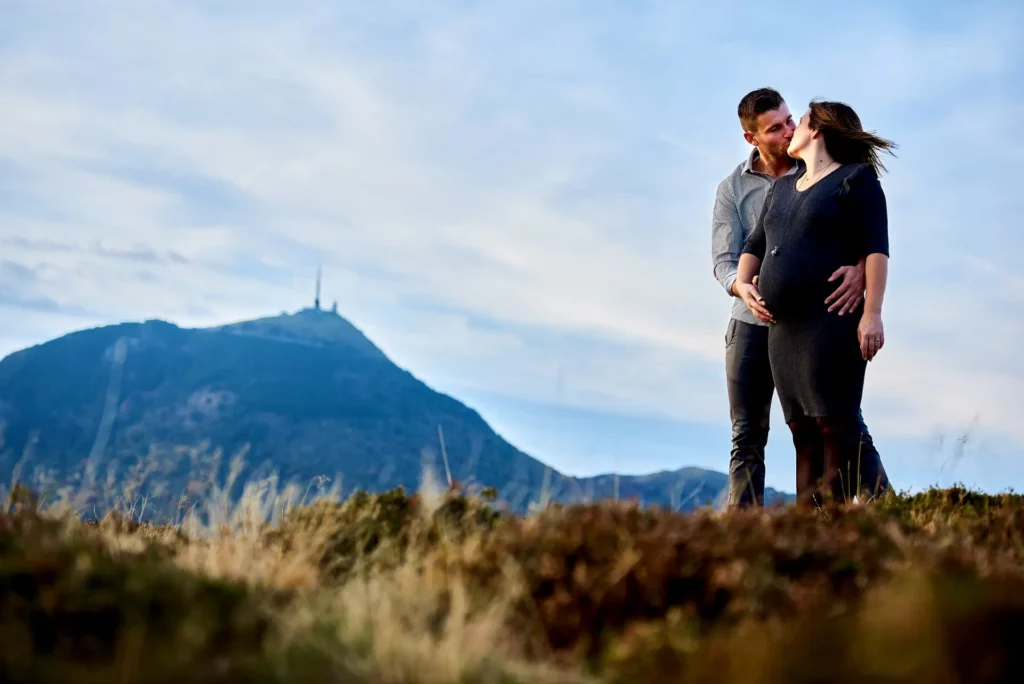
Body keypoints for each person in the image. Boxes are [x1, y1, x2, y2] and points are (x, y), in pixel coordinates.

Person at [711, 88, 890, 508]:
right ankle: (747, 531)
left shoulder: (834, 173)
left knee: (841, 421)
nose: (789, 129)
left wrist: (862, 275)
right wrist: (744, 286)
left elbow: (864, 236)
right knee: (751, 433)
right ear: (751, 138)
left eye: (792, 120)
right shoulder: (734, 189)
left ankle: (887, 511)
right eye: (776, 128)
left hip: (818, 322)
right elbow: (728, 257)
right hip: (755, 325)